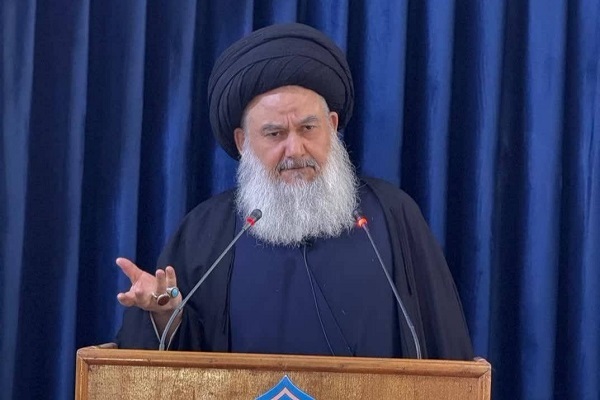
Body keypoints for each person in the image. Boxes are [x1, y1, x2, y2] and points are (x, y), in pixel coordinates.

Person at [115, 23, 473, 360]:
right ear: (243, 142)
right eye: (275, 134)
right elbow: (175, 367)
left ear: (332, 126)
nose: (295, 149)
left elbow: (444, 351)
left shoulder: (393, 218)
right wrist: (166, 316)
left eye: (308, 128)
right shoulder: (206, 234)